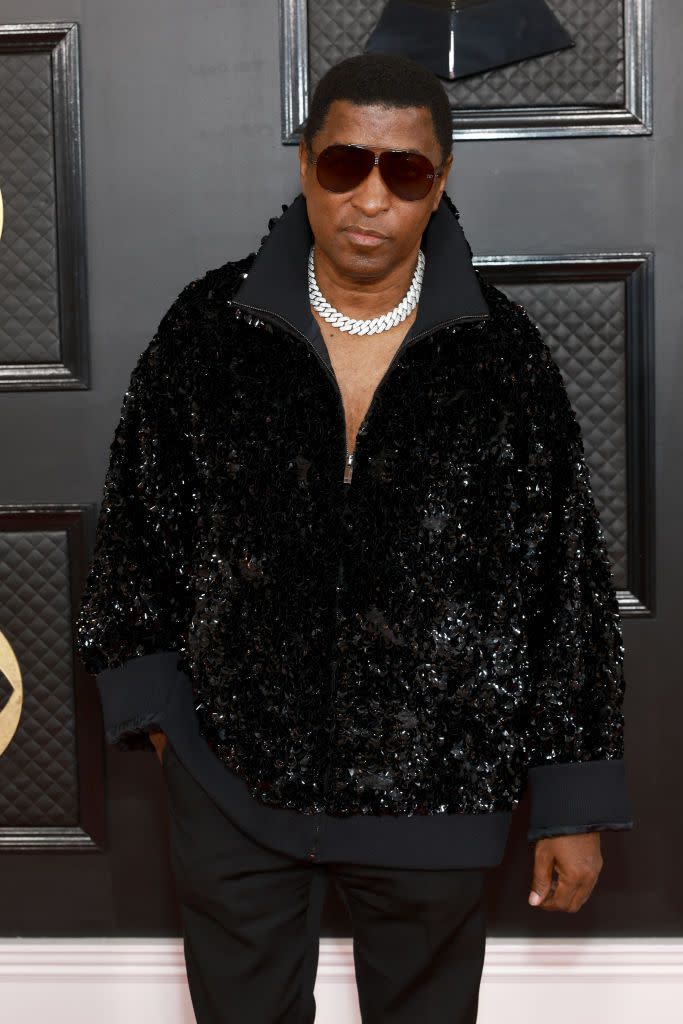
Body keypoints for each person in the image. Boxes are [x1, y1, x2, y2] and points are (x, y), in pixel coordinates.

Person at [74, 54, 634, 1023]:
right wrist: (168, 723)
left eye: (402, 171)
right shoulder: (209, 332)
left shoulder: (503, 361)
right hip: (231, 786)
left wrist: (571, 799)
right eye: (344, 164)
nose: (369, 195)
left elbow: (564, 586)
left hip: (436, 791)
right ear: (304, 164)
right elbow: (135, 531)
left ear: (439, 181)